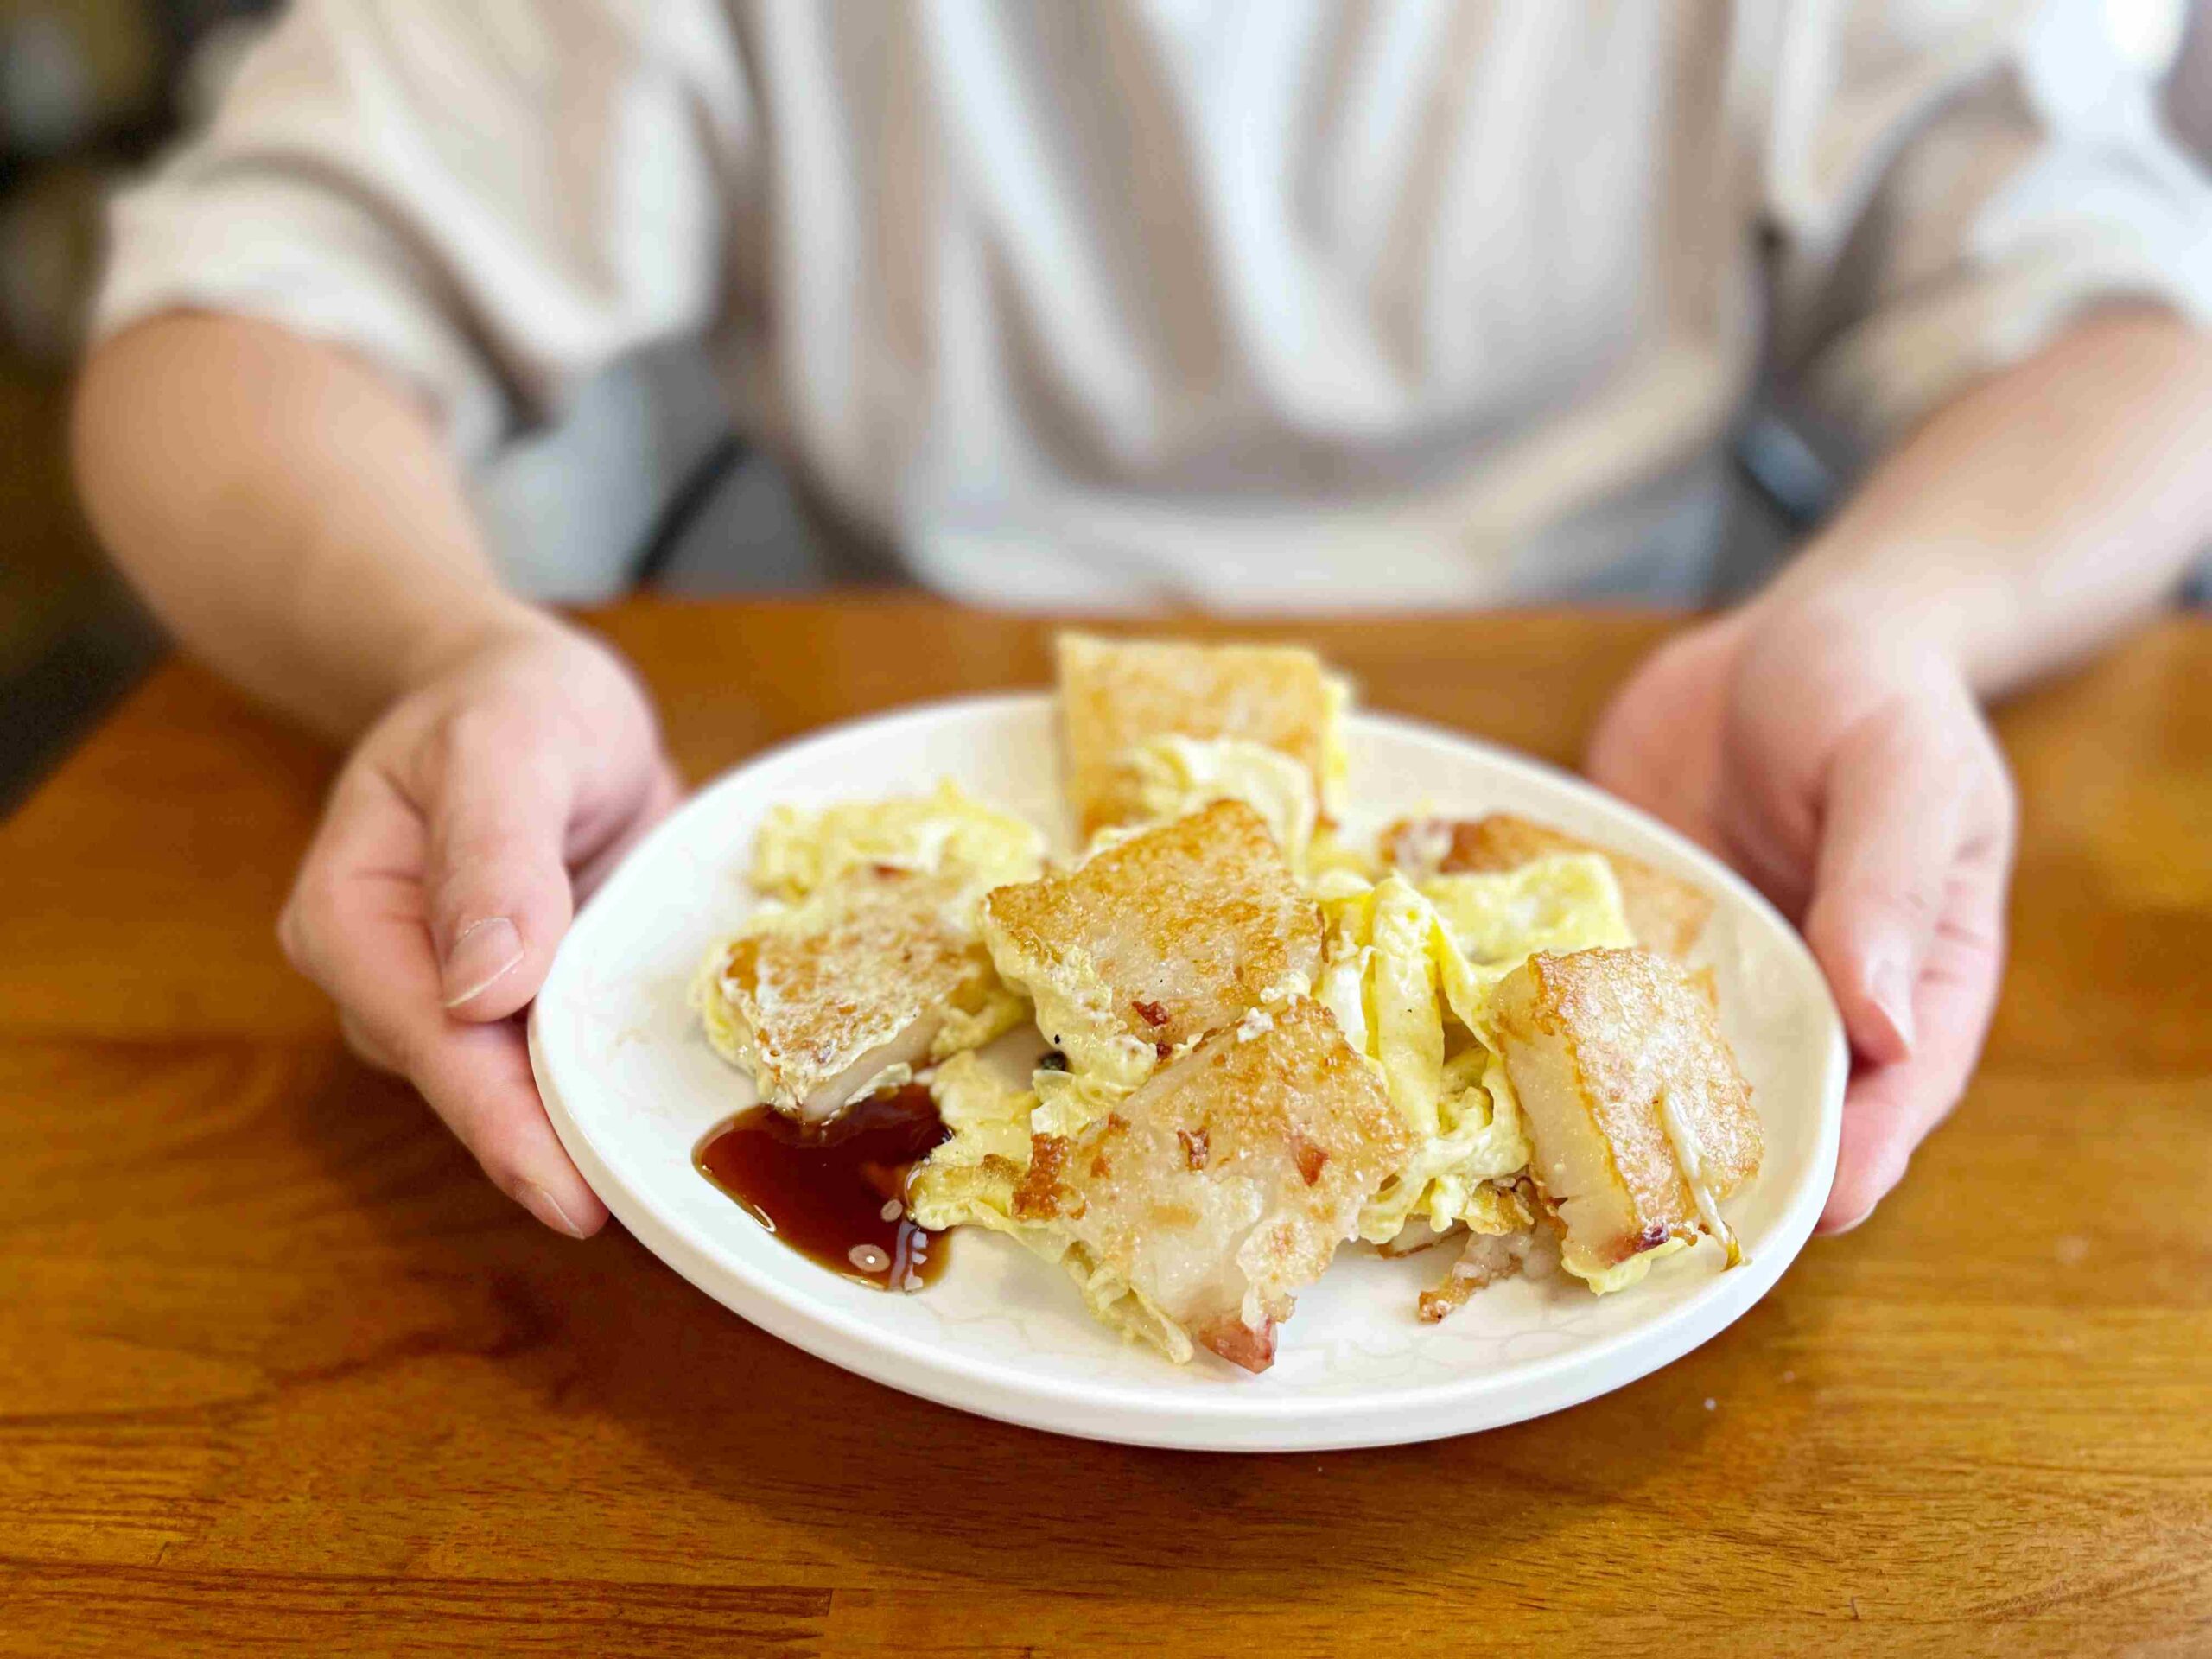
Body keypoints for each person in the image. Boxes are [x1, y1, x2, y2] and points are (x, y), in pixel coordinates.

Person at [71, 2, 2212, 1243]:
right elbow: (226, 331)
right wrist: (451, 648)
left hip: (1634, 742)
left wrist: (1884, 613)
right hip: (868, 727)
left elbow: (2133, 334)